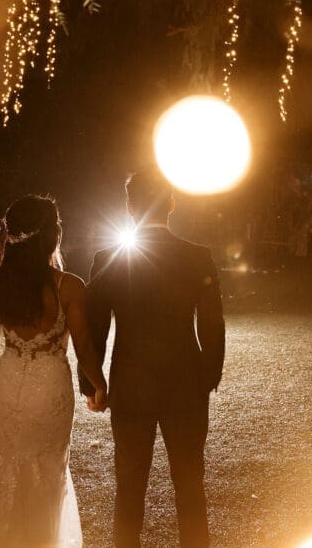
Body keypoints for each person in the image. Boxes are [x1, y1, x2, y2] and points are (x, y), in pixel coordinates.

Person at [80, 170, 226, 548]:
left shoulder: (109, 258)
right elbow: (212, 324)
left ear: (130, 206)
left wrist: (93, 385)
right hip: (186, 382)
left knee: (129, 486)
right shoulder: (197, 257)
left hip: (131, 383)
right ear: (172, 203)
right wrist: (208, 376)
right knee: (190, 482)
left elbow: (95, 327)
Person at [0, 195, 108, 547]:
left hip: (7, 384)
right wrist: (100, 385)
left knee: (8, 467)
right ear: (51, 235)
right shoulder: (68, 286)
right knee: (46, 470)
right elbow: (84, 346)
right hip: (49, 390)